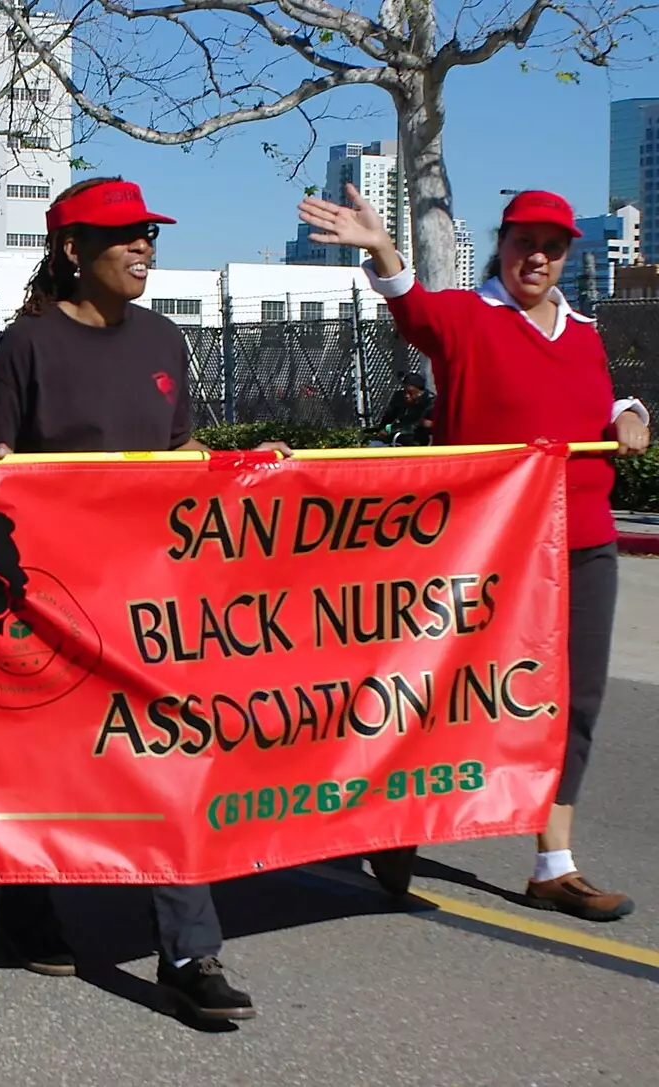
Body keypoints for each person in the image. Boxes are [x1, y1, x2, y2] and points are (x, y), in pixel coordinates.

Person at [0, 177, 274, 1021]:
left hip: (154, 604)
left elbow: (180, 454)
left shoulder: (167, 341)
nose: (144, 247)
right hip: (55, 605)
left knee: (174, 763)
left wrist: (243, 470)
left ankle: (190, 952)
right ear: (73, 251)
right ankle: (25, 905)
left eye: (149, 234)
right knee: (53, 771)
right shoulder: (25, 346)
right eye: (125, 235)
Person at [299, 185, 650, 920]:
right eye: (526, 242)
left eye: (553, 247)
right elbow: (414, 311)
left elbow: (599, 398)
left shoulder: (583, 330)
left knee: (574, 702)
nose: (539, 257)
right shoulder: (467, 316)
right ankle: (397, 817)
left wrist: (630, 411)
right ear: (504, 243)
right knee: (446, 695)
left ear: (566, 257)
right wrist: (383, 248)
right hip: (484, 550)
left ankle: (554, 862)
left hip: (582, 540)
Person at [370, 371, 434, 446]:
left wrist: (393, 430)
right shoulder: (399, 397)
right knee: (374, 445)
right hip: (397, 436)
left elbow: (422, 423)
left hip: (416, 440)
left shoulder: (430, 402)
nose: (406, 395)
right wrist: (383, 429)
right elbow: (388, 418)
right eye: (405, 391)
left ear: (420, 392)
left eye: (411, 392)